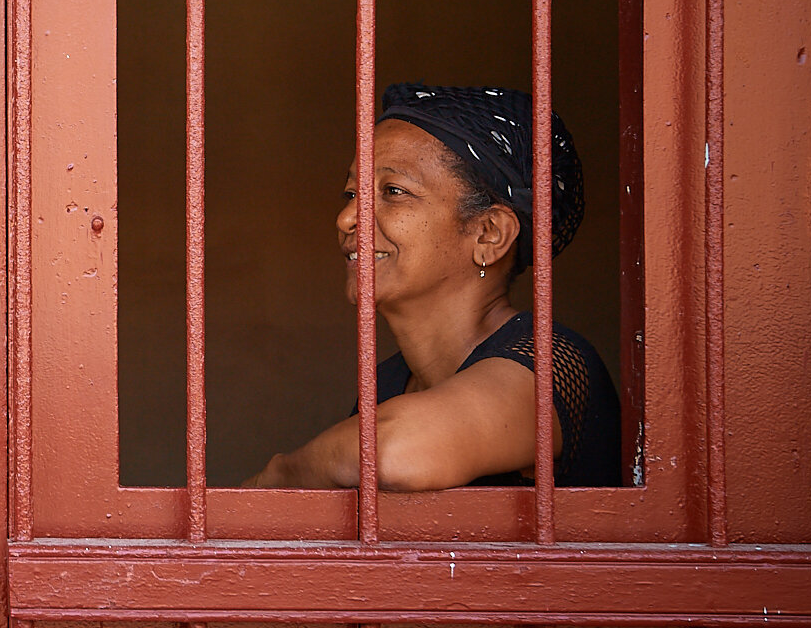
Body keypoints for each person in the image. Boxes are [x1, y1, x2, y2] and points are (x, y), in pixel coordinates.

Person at [246, 83, 620, 491]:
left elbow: (395, 451)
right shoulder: (389, 383)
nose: (347, 217)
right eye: (352, 192)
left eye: (393, 192)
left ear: (488, 234)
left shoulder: (553, 364)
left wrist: (276, 476)